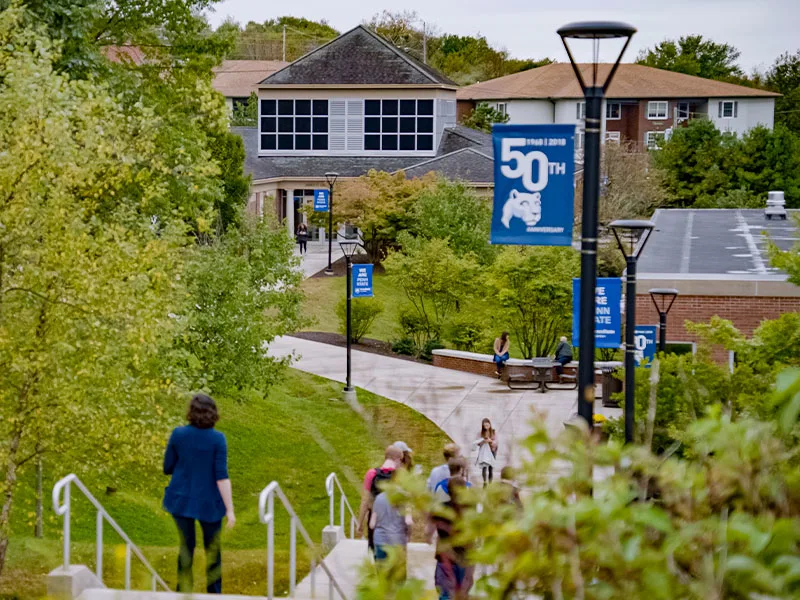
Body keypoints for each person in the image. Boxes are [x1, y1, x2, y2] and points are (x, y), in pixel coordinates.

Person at [163, 394, 235, 594]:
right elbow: (221, 476)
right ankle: (214, 593)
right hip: (209, 503)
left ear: (191, 412)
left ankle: (183, 592)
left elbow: (167, 466)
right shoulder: (217, 439)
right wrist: (230, 509)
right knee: (213, 551)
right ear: (213, 413)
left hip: (181, 500)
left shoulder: (178, 434)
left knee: (186, 548)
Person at [429, 476, 474, 600]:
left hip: (445, 558)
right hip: (465, 558)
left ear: (448, 490)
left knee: (445, 595)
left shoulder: (441, 509)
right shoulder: (470, 510)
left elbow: (432, 529)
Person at [357, 445, 403, 552]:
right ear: (396, 459)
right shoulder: (400, 476)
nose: (401, 464)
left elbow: (365, 501)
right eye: (400, 460)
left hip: (375, 522)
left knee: (375, 552)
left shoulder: (371, 474)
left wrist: (360, 523)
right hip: (394, 524)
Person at [369, 470, 411, 579]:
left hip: (380, 541)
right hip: (397, 541)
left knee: (382, 577)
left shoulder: (379, 498)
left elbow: (372, 524)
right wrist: (408, 536)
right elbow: (408, 521)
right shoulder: (405, 498)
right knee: (399, 577)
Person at [474, 418, 497, 487]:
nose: (486, 427)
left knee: (490, 468)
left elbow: (496, 443)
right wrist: (483, 441)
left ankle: (490, 483)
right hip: (483, 453)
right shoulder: (480, 433)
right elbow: (477, 442)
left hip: (492, 452)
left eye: (487, 425)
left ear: (490, 424)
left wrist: (490, 441)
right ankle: (485, 482)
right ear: (483, 426)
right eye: (485, 426)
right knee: (484, 467)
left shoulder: (493, 432)